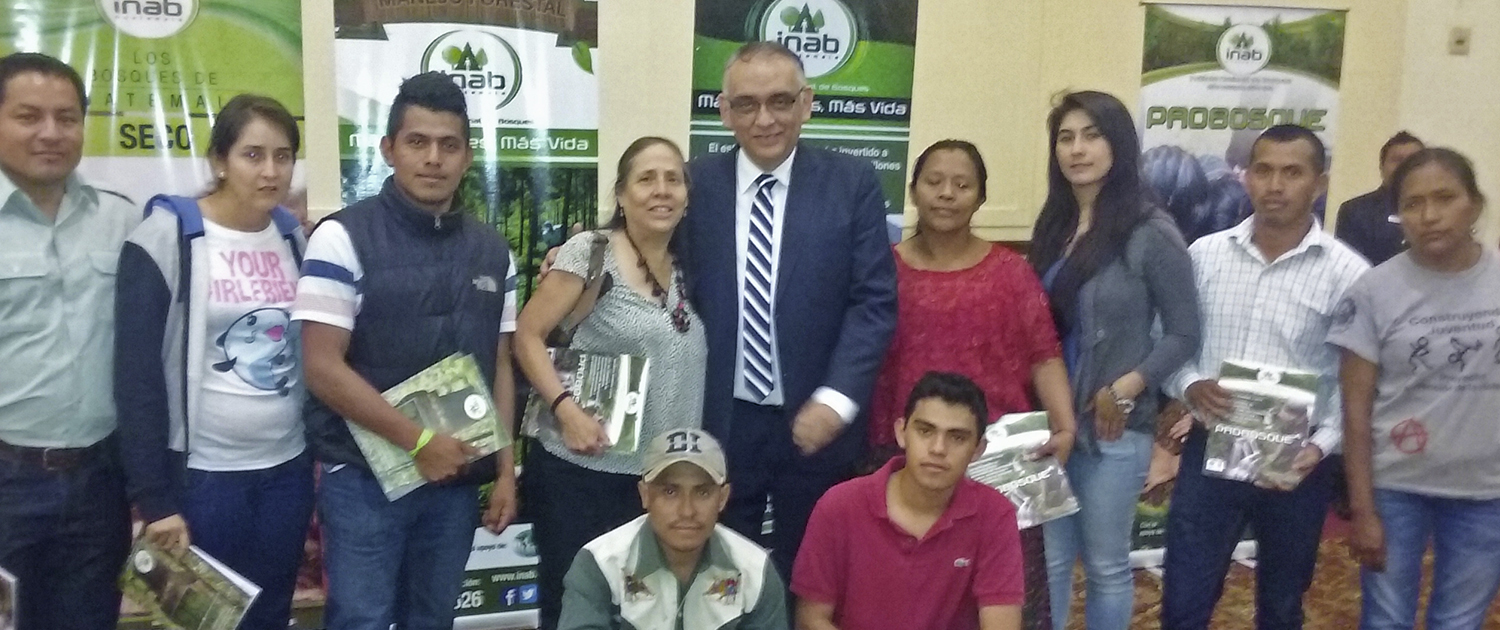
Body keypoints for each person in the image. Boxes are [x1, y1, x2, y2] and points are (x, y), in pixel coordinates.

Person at [291, 72, 519, 630]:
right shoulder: (341, 238)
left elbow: (500, 365)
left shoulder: (494, 252)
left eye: (449, 145)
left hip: (453, 485)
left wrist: (506, 472)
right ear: (388, 149)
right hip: (362, 481)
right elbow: (320, 366)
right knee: (362, 621)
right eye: (417, 142)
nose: (433, 158)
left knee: (433, 619)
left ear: (468, 157)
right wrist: (417, 442)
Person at [682, 41, 898, 582]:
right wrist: (580, 259)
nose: (765, 119)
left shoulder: (852, 183)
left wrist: (836, 400)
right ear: (724, 111)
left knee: (816, 577)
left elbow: (873, 301)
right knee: (720, 576)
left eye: (780, 101)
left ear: (806, 103)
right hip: (719, 422)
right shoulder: (692, 186)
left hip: (818, 423)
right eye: (747, 104)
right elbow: (644, 256)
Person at [1158, 124, 1370, 630]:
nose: (1275, 185)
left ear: (1319, 183)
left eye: (1292, 173)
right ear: (1247, 177)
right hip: (1210, 453)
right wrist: (1189, 385)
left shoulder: (1349, 275)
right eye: (1264, 170)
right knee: (1184, 601)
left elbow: (1355, 382)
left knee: (1281, 605)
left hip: (1297, 463)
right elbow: (1168, 342)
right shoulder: (1204, 255)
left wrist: (1321, 445)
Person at [114, 94, 311, 630]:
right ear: (219, 160)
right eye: (253, 155)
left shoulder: (292, 237)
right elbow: (135, 377)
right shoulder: (164, 237)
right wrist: (155, 501)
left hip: (285, 471)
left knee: (270, 614)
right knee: (202, 622)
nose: (270, 171)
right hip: (204, 479)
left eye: (283, 156)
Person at [867, 139, 1075, 630]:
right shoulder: (881, 271)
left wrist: (1065, 427)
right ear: (913, 190)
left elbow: (1044, 354)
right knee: (905, 593)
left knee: (1000, 596)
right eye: (934, 182)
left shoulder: (1012, 274)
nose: (947, 193)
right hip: (900, 456)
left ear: (981, 198)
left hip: (998, 462)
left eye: (962, 185)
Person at [515, 136, 708, 629]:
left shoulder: (691, 267)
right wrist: (566, 410)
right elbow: (527, 335)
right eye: (646, 179)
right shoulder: (590, 251)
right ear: (621, 194)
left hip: (659, 483)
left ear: (686, 196)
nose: (661, 190)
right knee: (577, 610)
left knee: (648, 614)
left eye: (673, 179)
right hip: (582, 475)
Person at [1026, 90, 1200, 630]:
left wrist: (1128, 386)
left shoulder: (1150, 229)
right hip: (1050, 425)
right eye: (1066, 138)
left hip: (1113, 428)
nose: (1077, 149)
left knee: (1104, 566)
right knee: (1049, 563)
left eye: (1092, 135)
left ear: (1118, 144)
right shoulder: (1053, 225)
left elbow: (1184, 333)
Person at [1328, 148, 1500, 630]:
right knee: (1385, 619)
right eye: (1412, 204)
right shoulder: (1373, 292)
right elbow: (1355, 410)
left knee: (1459, 622)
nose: (1429, 215)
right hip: (1396, 488)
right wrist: (1362, 508)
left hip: (1487, 491)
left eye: (1445, 198)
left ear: (1474, 205)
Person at [0, 52, 137, 630]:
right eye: (28, 116)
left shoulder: (123, 221)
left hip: (100, 482)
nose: (50, 133)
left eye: (67, 118)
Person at [793, 371, 1025, 630]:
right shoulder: (839, 506)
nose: (938, 448)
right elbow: (811, 620)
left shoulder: (994, 514)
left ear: (978, 449)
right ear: (901, 432)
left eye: (957, 437)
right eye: (925, 431)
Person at [557, 428, 787, 630]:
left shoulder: (756, 571)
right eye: (670, 492)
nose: (687, 511)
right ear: (645, 495)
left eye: (702, 492)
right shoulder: (600, 563)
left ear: (723, 498)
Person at [1334, 131, 1424, 265]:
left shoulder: (1439, 210)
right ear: (1381, 167)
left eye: (1413, 160)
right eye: (1397, 160)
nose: (1405, 166)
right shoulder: (1355, 211)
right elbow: (1349, 266)